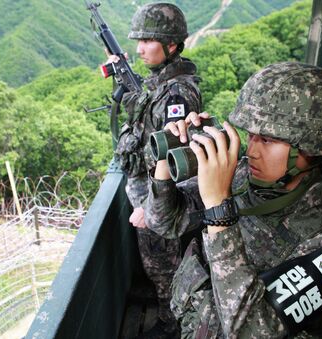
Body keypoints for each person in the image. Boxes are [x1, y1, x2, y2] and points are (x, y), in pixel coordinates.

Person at [145, 62, 322, 338]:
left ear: (312, 146)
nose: (252, 151)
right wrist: (166, 161)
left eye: (267, 140)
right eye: (250, 135)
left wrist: (219, 212)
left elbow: (251, 332)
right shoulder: (242, 177)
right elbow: (164, 223)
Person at [105, 3, 202, 337]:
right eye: (139, 40)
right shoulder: (161, 82)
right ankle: (163, 300)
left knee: (165, 268)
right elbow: (148, 121)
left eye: (148, 40)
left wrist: (150, 208)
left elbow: (179, 164)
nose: (139, 48)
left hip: (158, 204)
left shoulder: (178, 95)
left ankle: (170, 322)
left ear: (172, 45)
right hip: (147, 195)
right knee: (155, 265)